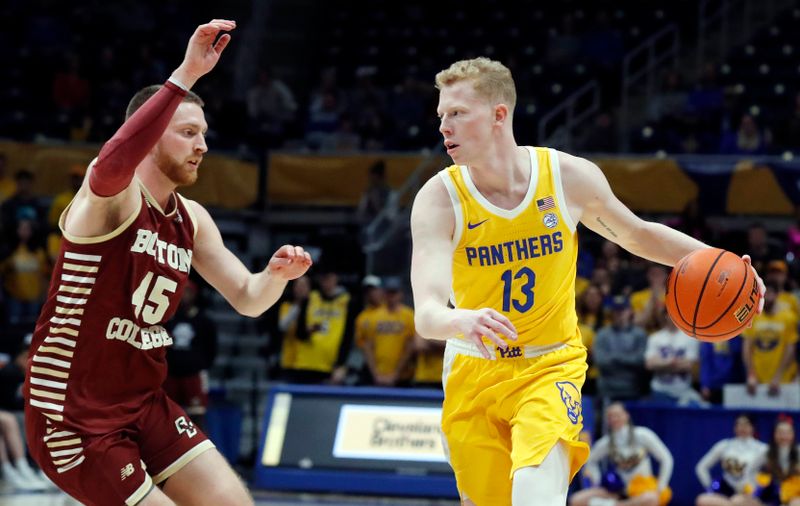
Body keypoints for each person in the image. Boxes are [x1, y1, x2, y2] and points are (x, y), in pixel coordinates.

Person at [409, 56, 765, 505]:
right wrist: (461, 321)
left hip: (549, 365)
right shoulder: (439, 200)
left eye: (457, 113)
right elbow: (427, 313)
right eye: (442, 116)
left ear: (499, 114)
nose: (444, 126)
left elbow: (636, 234)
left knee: (535, 493)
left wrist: (724, 262)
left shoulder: (565, 178)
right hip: (473, 368)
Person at [23, 20, 312, 506]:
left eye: (203, 133)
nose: (203, 145)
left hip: (144, 403)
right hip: (73, 417)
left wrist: (275, 277)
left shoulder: (192, 219)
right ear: (153, 135)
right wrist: (186, 75)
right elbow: (109, 164)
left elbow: (246, 299)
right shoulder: (109, 202)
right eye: (187, 132)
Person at [569, 403, 673, 506]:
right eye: (610, 416)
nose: (614, 419)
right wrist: (597, 480)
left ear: (626, 415)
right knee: (577, 500)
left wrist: (661, 485)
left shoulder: (643, 435)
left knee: (651, 499)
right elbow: (590, 460)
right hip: (617, 490)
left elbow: (666, 458)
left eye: (617, 415)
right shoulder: (606, 442)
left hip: (642, 489)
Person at [164, 279, 218, 432]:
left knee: (197, 417)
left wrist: (198, 364)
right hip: (170, 374)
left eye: (187, 291)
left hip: (194, 375)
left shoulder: (205, 321)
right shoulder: (167, 319)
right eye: (181, 292)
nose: (184, 296)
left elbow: (211, 350)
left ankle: (199, 453)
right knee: (165, 416)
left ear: (194, 294)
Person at [694, 414, 767, 505]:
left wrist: (760, 488)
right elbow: (701, 467)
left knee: (737, 501)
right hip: (726, 491)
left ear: (753, 427)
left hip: (750, 493)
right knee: (702, 500)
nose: (742, 428)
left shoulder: (762, 449)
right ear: (734, 427)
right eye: (739, 424)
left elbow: (773, 471)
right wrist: (709, 486)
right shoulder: (724, 445)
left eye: (746, 424)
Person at [743, 282, 798, 397]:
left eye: (770, 294)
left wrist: (778, 376)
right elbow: (747, 347)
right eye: (764, 294)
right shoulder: (754, 317)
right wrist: (751, 374)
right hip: (758, 380)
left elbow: (790, 350)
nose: (766, 297)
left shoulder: (788, 318)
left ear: (777, 295)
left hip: (783, 380)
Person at [740, 416, 800, 506]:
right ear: (774, 434)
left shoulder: (798, 452)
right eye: (780, 433)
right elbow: (749, 471)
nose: (784, 436)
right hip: (770, 496)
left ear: (793, 434)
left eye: (788, 433)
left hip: (794, 495)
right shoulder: (766, 452)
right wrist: (753, 489)